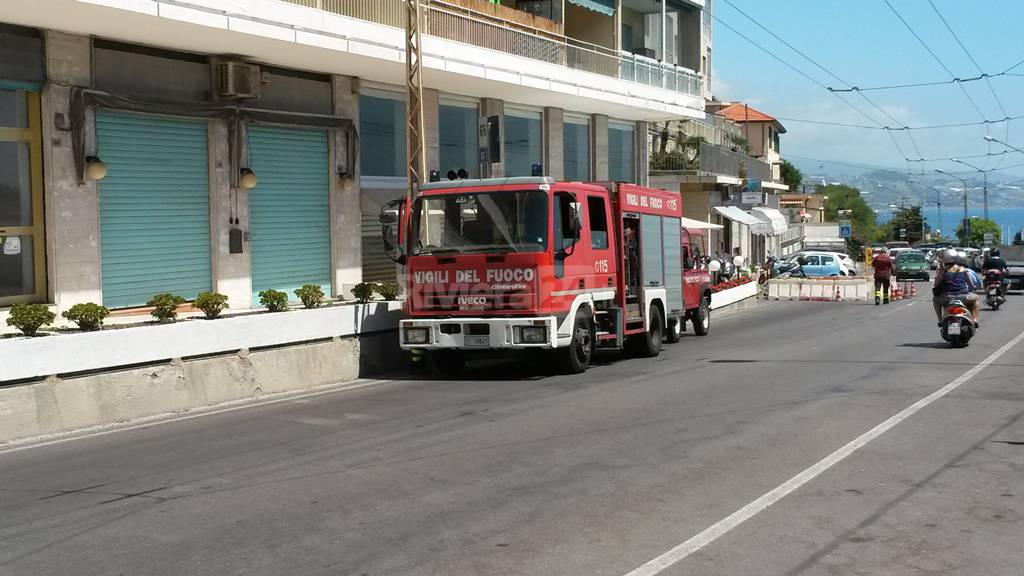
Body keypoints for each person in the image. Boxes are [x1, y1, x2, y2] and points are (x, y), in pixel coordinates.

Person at [933, 248, 981, 327]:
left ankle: (940, 319)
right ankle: (975, 319)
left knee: (935, 300)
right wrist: (973, 288)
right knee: (976, 299)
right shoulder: (965, 270)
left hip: (946, 298)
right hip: (964, 297)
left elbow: (936, 285)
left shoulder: (942, 271)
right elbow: (971, 285)